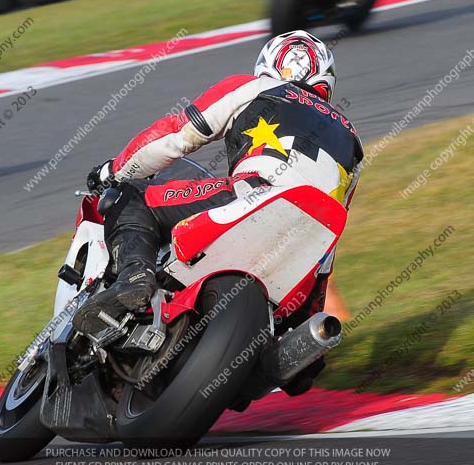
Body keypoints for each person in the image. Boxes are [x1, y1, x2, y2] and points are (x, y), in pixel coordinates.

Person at [75, 31, 364, 350]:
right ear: (327, 81)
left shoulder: (254, 87)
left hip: (255, 194)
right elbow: (330, 242)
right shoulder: (353, 142)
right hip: (306, 251)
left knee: (134, 196)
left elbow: (176, 136)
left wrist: (114, 170)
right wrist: (310, 317)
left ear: (268, 64)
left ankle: (134, 276)